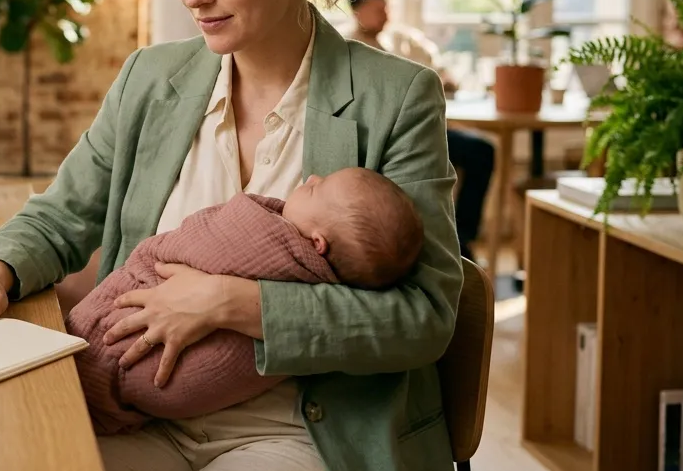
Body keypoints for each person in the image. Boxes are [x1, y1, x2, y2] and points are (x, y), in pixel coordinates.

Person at [0, 0, 463, 471]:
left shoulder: (397, 97)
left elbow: (424, 318)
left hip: (296, 435)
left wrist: (231, 303)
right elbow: (63, 215)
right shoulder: (151, 77)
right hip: (136, 414)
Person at [69, 167, 423, 436]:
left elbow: (197, 239)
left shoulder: (267, 236)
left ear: (318, 245)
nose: (311, 176)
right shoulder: (153, 79)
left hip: (280, 431)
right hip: (163, 424)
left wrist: (221, 297)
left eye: (315, 189)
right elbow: (64, 211)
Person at [346, 0, 494, 260]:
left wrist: (446, 81)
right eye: (377, 9)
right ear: (358, 11)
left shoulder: (402, 41)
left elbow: (438, 70)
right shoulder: (345, 47)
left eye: (386, 8)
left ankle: (462, 239)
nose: (386, 15)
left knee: (482, 151)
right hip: (381, 134)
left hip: (424, 127)